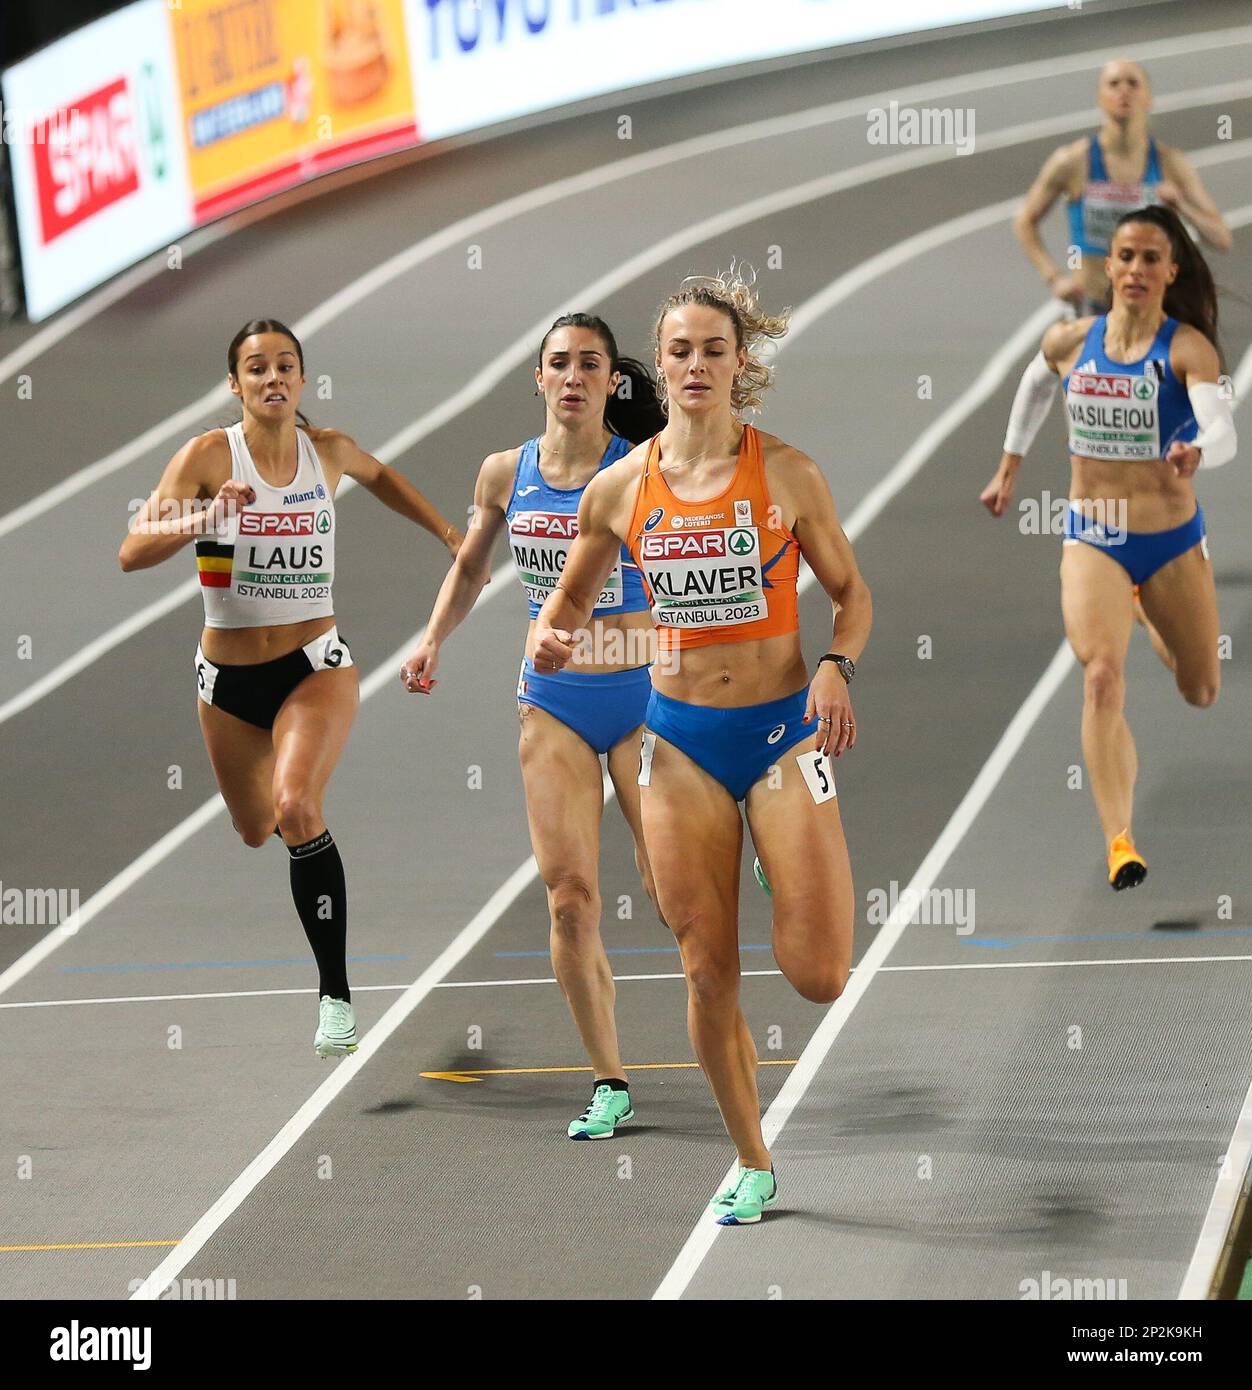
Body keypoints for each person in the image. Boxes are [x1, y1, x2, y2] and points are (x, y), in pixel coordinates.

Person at [532, 273, 872, 1224]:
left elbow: (853, 594)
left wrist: (838, 665)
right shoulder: (620, 488)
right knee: (705, 966)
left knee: (819, 977)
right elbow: (565, 604)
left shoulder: (788, 473)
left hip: (777, 736)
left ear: (739, 364)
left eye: (712, 350)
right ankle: (753, 1160)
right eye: (677, 351)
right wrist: (550, 638)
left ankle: (783, 855)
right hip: (677, 746)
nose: (693, 366)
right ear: (663, 362)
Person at [119, 318, 463, 1056]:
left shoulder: (327, 451)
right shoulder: (209, 455)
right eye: (256, 368)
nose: (272, 378)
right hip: (227, 684)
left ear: (301, 380)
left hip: (315, 667)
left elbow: (382, 478)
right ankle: (297, 840)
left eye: (285, 366)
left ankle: (335, 995)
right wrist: (205, 516)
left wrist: (447, 535)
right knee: (256, 829)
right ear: (235, 385)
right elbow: (132, 550)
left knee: (297, 804)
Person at [400, 314, 668, 1140]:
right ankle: (611, 1080)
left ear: (610, 381)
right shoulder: (503, 474)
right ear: (540, 377)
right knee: (569, 900)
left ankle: (747, 841)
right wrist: (434, 636)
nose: (577, 375)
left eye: (592, 362)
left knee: (670, 891)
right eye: (562, 363)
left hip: (642, 699)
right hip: (552, 702)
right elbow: (474, 564)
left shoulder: (643, 470)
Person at [982, 207, 1235, 889]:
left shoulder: (1187, 351)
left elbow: (1225, 432)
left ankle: (1148, 612)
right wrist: (1009, 467)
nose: (1134, 270)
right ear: (1108, 264)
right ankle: (1120, 839)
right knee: (1100, 677)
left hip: (1172, 542)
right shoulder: (1069, 340)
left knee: (1202, 689)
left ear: (1171, 271)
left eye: (1151, 259)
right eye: (1125, 256)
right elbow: (1036, 385)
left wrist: (1196, 450)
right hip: (1094, 537)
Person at [1014, 59, 1231, 316]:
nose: (1123, 90)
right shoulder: (1072, 161)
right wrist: (1054, 277)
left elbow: (1221, 239)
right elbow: (1024, 221)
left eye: (1133, 83)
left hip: (1153, 310)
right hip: (1094, 307)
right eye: (1114, 84)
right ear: (1100, 97)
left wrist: (1182, 206)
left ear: (1148, 97)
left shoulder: (1170, 164)